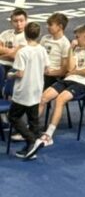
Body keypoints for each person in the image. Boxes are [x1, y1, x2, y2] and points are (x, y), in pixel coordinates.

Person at [27, 24, 85, 157]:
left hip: (83, 84)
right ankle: (30, 129)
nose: (75, 40)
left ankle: (48, 135)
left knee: (60, 99)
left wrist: (75, 71)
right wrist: (71, 49)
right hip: (68, 80)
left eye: (77, 37)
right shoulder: (77, 49)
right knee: (44, 97)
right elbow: (70, 68)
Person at [8, 21, 47, 161]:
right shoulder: (42, 50)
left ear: (25, 34)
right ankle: (31, 150)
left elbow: (20, 73)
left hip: (23, 90)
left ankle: (31, 140)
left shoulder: (22, 52)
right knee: (33, 120)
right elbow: (47, 68)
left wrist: (11, 75)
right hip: (37, 89)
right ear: (39, 34)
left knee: (13, 117)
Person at [40, 13, 71, 91]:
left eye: (50, 25)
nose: (47, 27)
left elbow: (63, 71)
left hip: (52, 77)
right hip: (40, 71)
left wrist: (46, 72)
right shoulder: (45, 38)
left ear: (60, 27)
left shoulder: (65, 44)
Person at [0, 8, 27, 72]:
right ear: (11, 22)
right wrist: (13, 50)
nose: (19, 24)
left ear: (26, 21)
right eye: (15, 21)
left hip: (16, 67)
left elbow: (14, 56)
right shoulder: (5, 33)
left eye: (21, 21)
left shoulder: (27, 36)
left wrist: (3, 52)